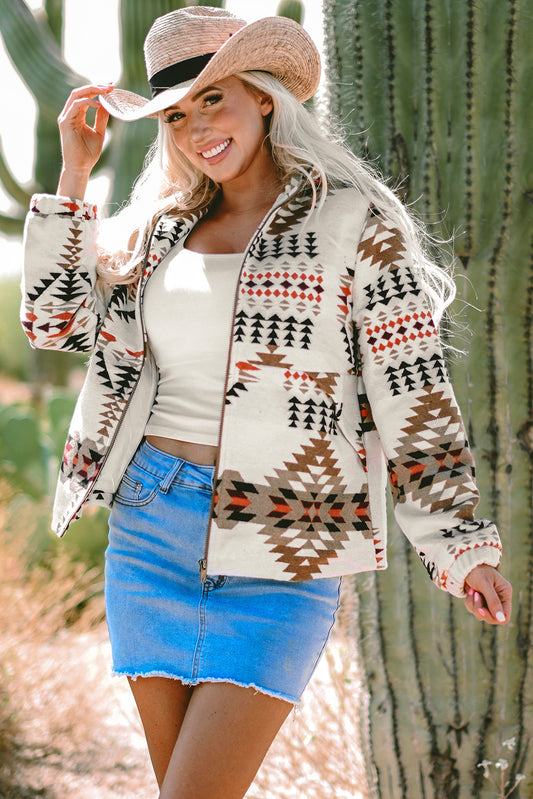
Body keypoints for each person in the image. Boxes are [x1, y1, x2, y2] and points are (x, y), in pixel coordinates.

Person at [21, 7, 512, 798]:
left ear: (263, 95)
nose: (195, 128)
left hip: (286, 542)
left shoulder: (354, 224)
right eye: (176, 115)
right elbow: (54, 321)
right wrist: (75, 174)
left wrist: (459, 543)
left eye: (213, 99)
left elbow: (412, 390)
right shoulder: (158, 231)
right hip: (149, 525)